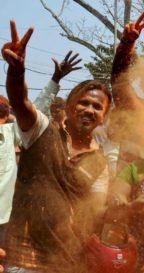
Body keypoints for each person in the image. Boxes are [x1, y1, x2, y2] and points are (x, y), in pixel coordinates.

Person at [2, 20, 111, 273]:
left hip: (65, 264)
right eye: (83, 103)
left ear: (104, 117)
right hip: (23, 259)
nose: (89, 110)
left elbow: (93, 216)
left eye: (97, 107)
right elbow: (20, 102)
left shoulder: (100, 165)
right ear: (70, 108)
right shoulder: (42, 131)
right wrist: (16, 73)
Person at [33, 50, 82, 119]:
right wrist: (56, 78)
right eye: (52, 111)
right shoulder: (46, 127)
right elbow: (35, 114)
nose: (54, 114)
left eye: (97, 106)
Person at [0, 96, 20, 246]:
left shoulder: (10, 133)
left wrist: (55, 80)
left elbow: (33, 117)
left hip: (5, 217)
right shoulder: (11, 131)